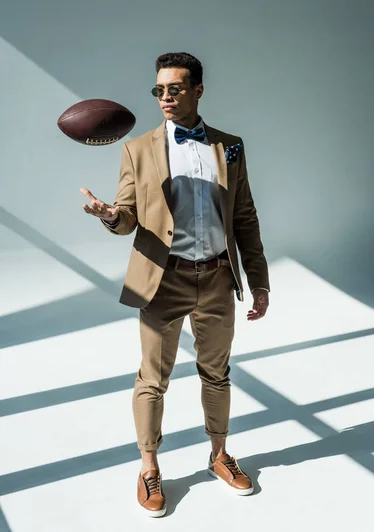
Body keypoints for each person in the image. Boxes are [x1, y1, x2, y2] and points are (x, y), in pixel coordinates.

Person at [80, 52, 270, 517]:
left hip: (219, 278)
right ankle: (149, 467)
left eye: (175, 89)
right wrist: (110, 216)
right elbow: (128, 217)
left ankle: (219, 455)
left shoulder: (230, 147)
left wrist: (259, 280)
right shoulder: (138, 149)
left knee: (217, 373)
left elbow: (243, 216)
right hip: (163, 281)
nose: (165, 97)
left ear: (198, 91)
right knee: (152, 380)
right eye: (159, 90)